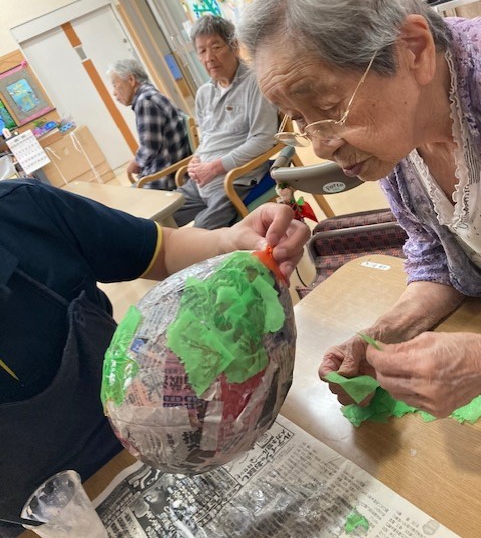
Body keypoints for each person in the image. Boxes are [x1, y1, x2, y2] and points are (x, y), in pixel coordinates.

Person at [237, 0, 481, 419]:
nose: (320, 145)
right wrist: (381, 336)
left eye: (329, 107)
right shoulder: (398, 135)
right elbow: (437, 255)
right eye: (298, 119)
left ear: (414, 50)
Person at [0, 178, 308, 533]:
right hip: (34, 525)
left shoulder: (22, 210)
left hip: (174, 439)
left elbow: (161, 251)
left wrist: (231, 241)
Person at [173, 15, 279, 229]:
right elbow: (207, 137)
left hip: (234, 180)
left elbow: (263, 139)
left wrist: (214, 168)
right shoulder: (204, 93)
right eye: (202, 51)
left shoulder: (255, 82)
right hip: (200, 182)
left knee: (201, 233)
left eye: (216, 47)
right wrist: (196, 159)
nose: (209, 58)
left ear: (234, 46)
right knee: (159, 220)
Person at [108, 59, 191, 190]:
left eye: (115, 85)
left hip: (166, 179)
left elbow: (149, 148)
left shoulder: (145, 101)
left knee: (123, 200)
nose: (114, 92)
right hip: (171, 170)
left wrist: (136, 162)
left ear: (131, 80)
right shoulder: (151, 94)